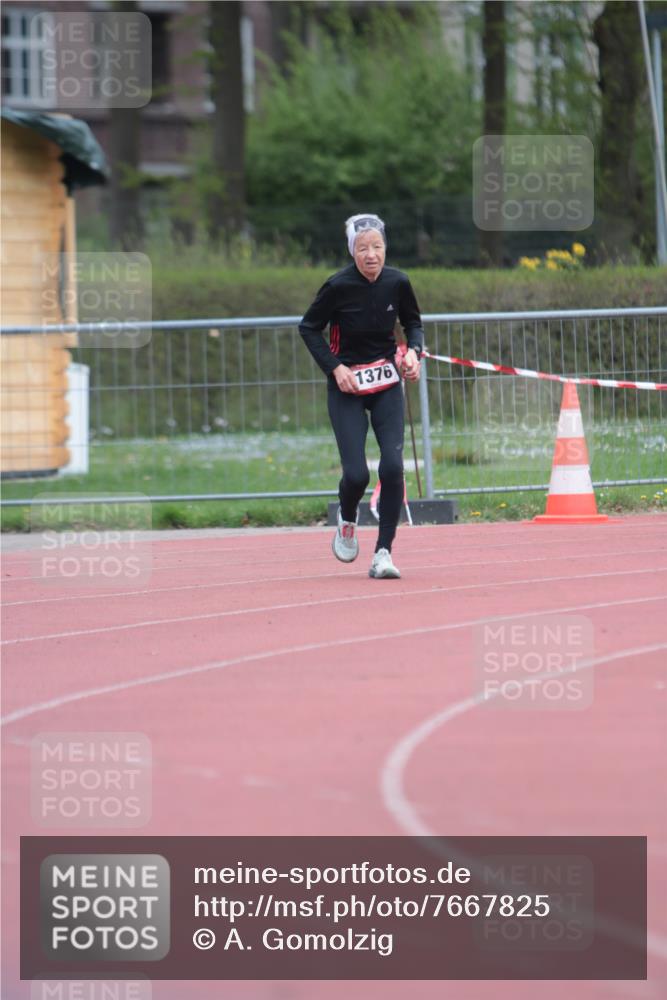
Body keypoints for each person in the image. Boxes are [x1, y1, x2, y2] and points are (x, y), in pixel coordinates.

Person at [299, 213, 424, 579]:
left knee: (392, 467)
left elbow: (413, 323)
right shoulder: (337, 286)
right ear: (352, 251)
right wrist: (335, 368)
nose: (371, 255)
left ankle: (383, 553)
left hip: (386, 383)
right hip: (348, 387)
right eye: (363, 248)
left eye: (377, 246)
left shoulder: (398, 282)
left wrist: (414, 353)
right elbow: (308, 328)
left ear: (386, 248)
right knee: (356, 475)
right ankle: (348, 517)